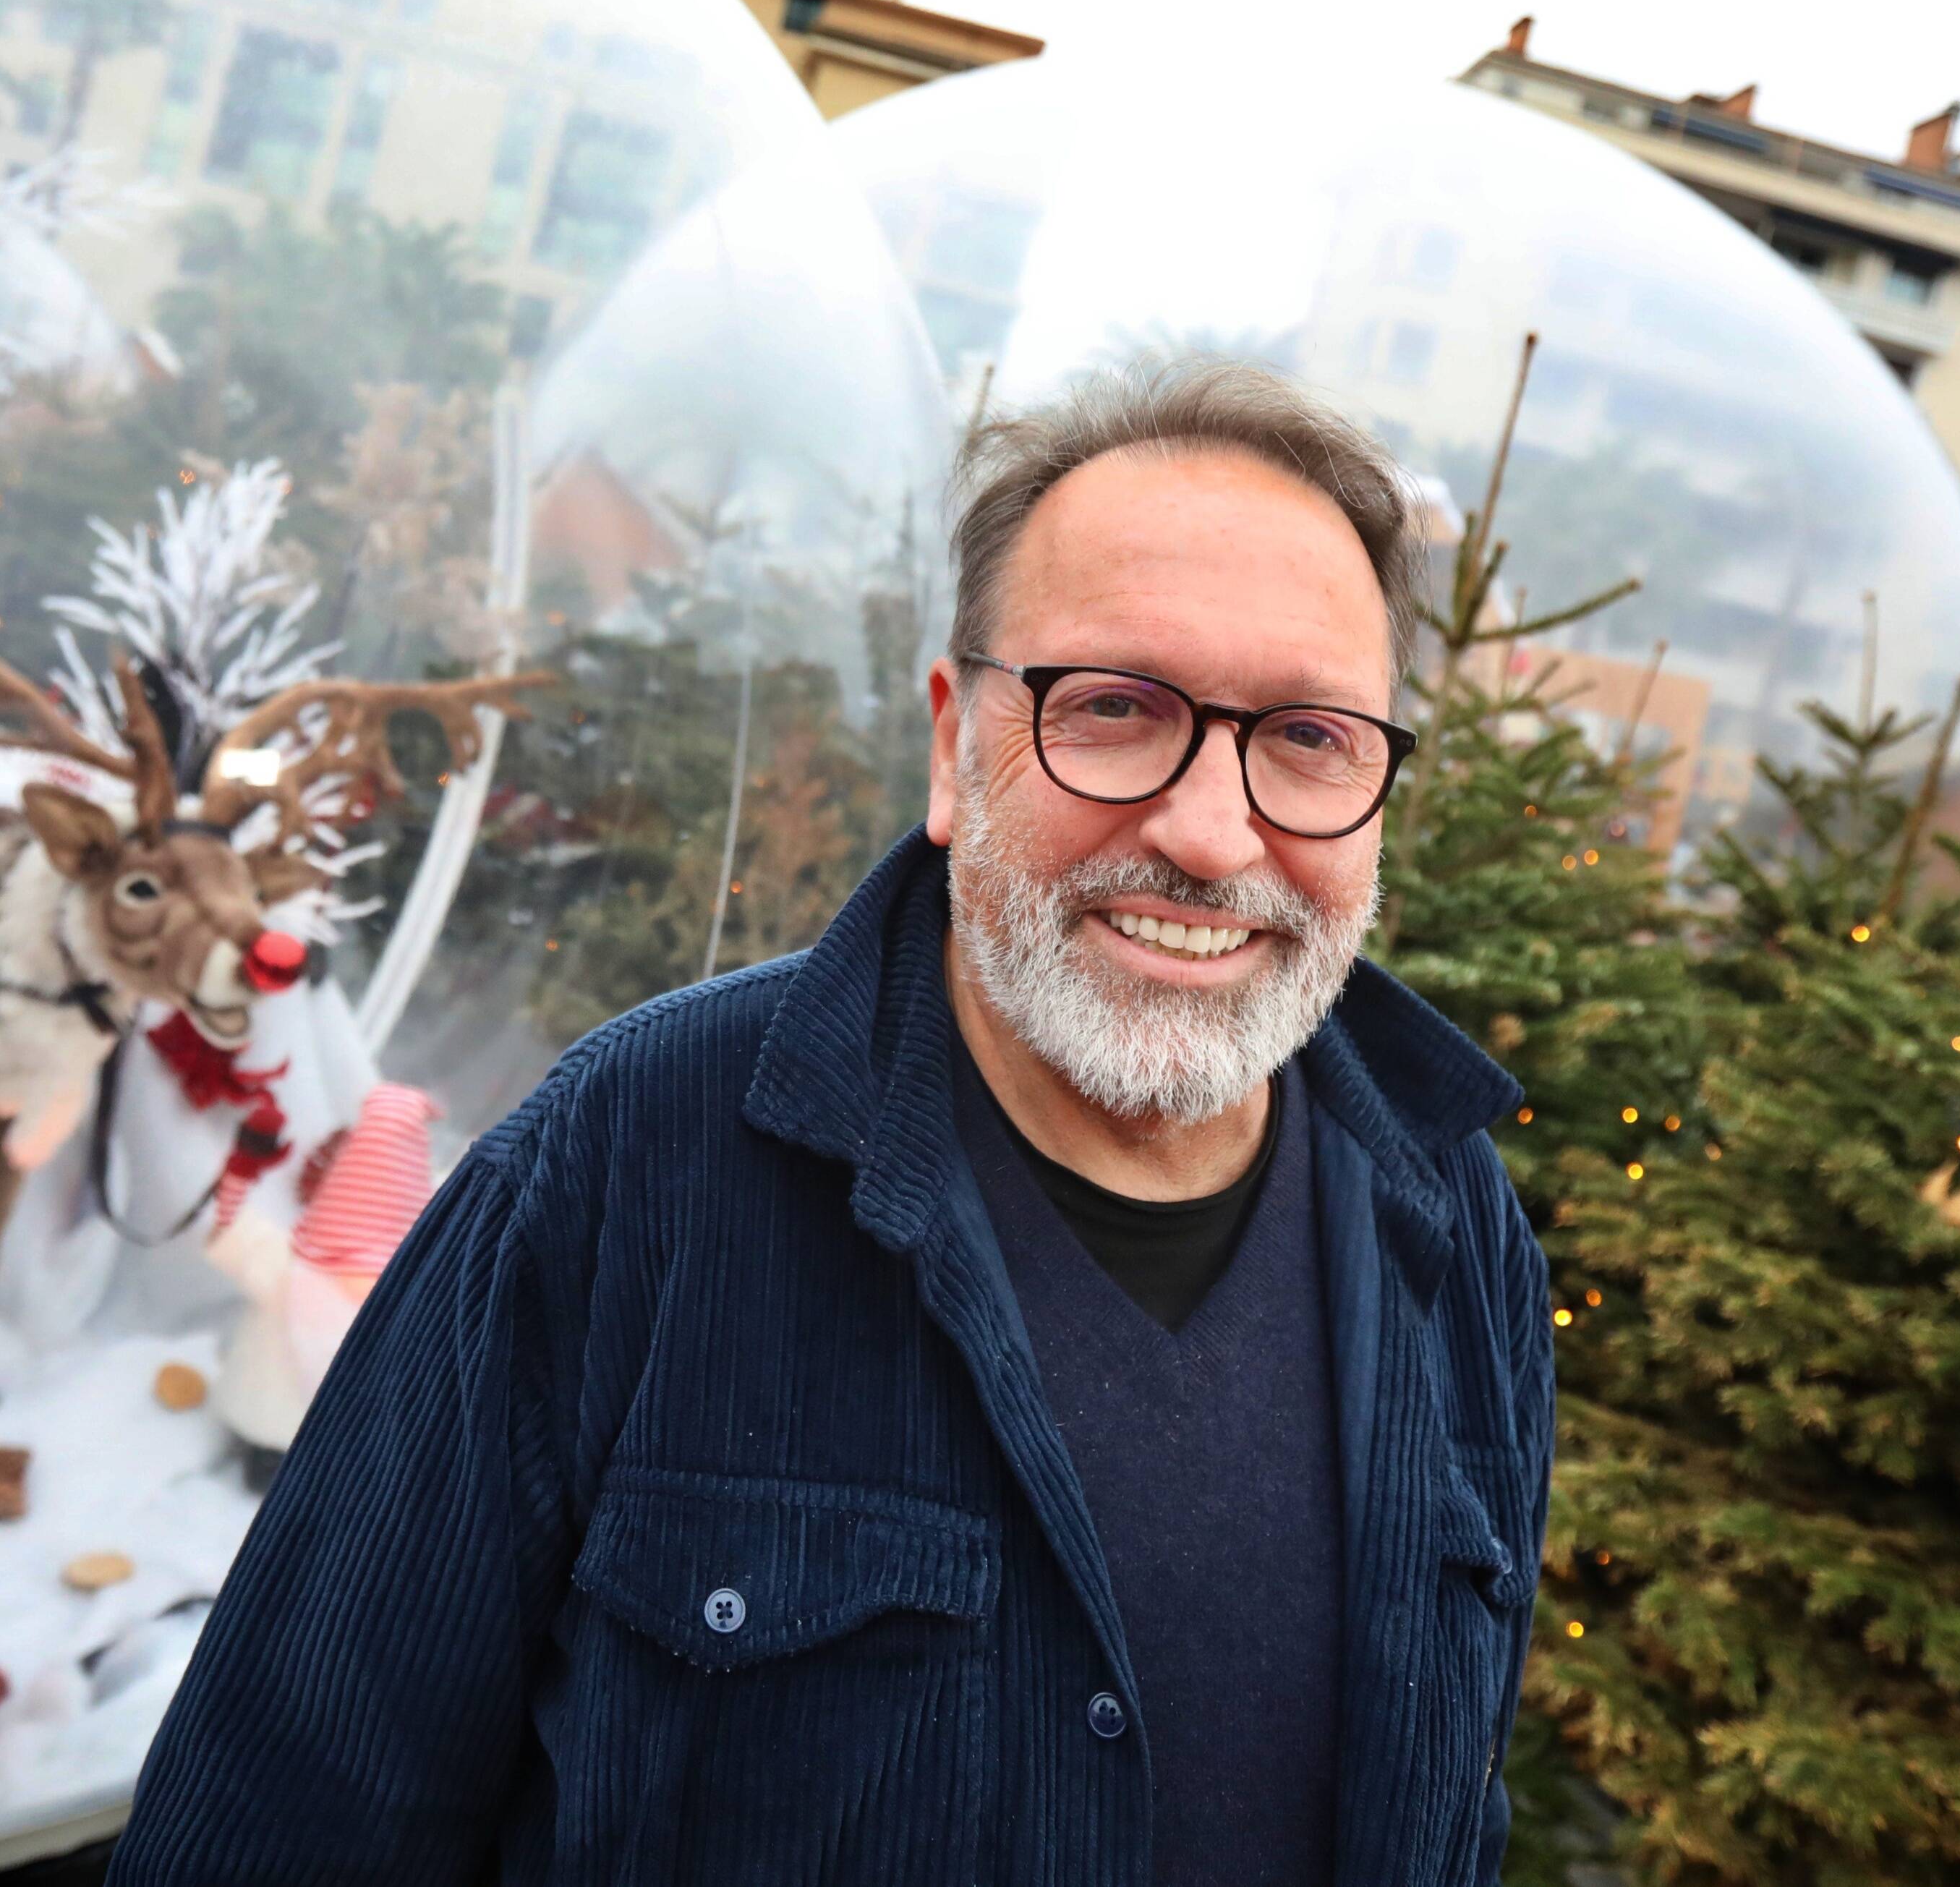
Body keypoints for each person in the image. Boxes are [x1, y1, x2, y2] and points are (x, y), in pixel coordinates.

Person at [114, 360, 1551, 1885]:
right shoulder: (618, 1169)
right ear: (951, 742)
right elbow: (281, 1819)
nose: (1208, 829)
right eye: (1114, 708)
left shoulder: (1456, 1229)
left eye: (1310, 738)